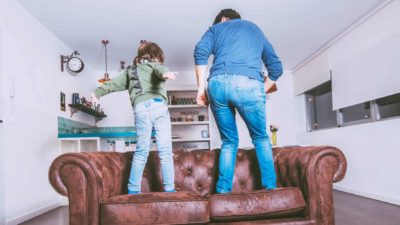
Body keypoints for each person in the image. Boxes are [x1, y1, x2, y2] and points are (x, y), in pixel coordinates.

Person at [194, 9, 283, 193]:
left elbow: (200, 51)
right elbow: (276, 68)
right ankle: (270, 189)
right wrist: (261, 89)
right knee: (260, 138)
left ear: (224, 19)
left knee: (229, 141)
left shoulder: (215, 29)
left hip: (217, 85)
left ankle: (223, 192)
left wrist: (201, 90)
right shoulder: (255, 29)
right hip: (249, 83)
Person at [92, 40, 177, 194]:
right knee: (165, 151)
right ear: (156, 56)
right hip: (158, 106)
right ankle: (170, 190)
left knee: (141, 151)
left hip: (140, 108)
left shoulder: (130, 71)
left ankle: (133, 190)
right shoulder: (155, 65)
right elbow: (160, 70)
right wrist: (166, 74)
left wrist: (97, 94)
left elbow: (112, 84)